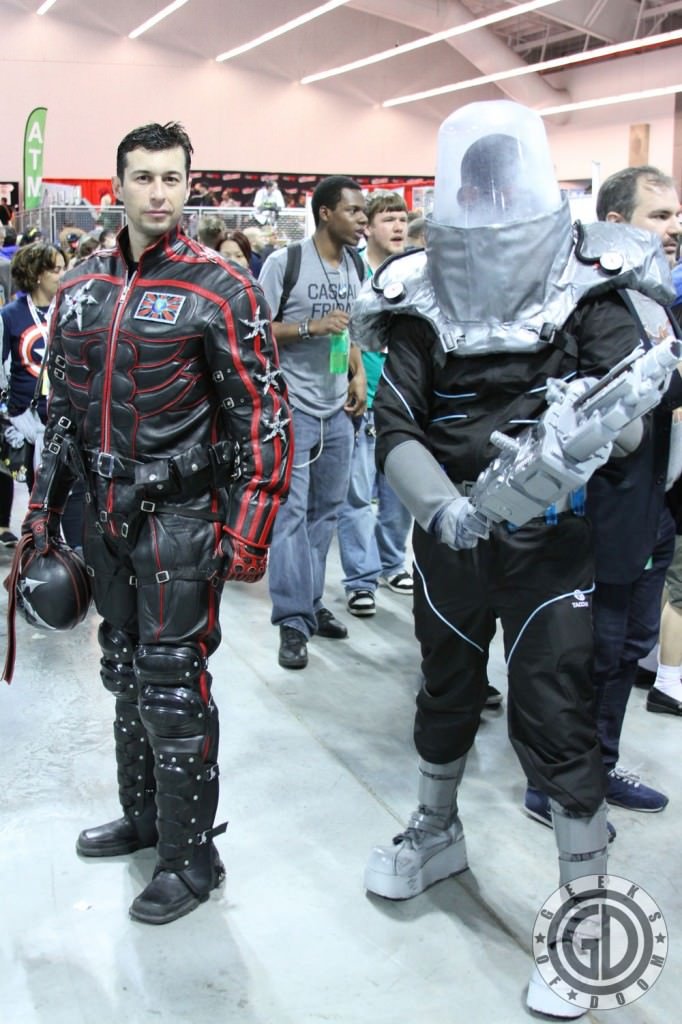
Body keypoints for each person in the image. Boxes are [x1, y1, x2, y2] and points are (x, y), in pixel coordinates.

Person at [352, 100, 678, 1019]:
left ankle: (583, 918)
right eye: (478, 182)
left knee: (555, 720)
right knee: (445, 691)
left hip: (551, 549)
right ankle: (435, 828)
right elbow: (394, 422)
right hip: (453, 538)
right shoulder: (416, 290)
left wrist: (592, 437)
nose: (492, 199)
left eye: (504, 181)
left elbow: (634, 403)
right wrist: (444, 508)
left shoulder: (594, 282)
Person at [20, 121, 291, 925]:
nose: (159, 193)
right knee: (124, 672)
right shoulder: (80, 287)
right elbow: (62, 414)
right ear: (119, 186)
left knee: (173, 686)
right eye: (143, 178)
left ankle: (191, 855)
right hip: (103, 516)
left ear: (188, 186)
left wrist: (249, 530)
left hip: (181, 518)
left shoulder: (223, 287)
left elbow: (263, 419)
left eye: (172, 179)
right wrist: (43, 510)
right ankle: (144, 822)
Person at [525, 166, 682, 824]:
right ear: (617, 223)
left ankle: (603, 760)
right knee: (589, 649)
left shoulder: (657, 299)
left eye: (675, 215)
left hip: (655, 503)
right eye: (660, 216)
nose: (674, 228)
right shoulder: (587, 304)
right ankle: (553, 782)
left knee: (627, 645)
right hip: (601, 510)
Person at [259, 175, 368, 670]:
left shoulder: (355, 265)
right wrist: (310, 327)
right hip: (290, 407)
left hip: (336, 406)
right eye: (354, 210)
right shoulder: (287, 263)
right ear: (326, 213)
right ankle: (291, 621)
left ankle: (312, 602)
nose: (362, 219)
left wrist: (358, 375)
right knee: (291, 514)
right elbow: (255, 331)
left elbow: (354, 330)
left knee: (327, 511)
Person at [337, 191, 414, 617]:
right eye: (389, 219)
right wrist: (353, 379)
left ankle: (392, 563)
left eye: (402, 218)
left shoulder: (413, 273)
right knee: (357, 495)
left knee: (400, 491)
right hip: (360, 399)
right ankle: (360, 579)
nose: (399, 227)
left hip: (402, 398)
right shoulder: (353, 272)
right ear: (368, 226)